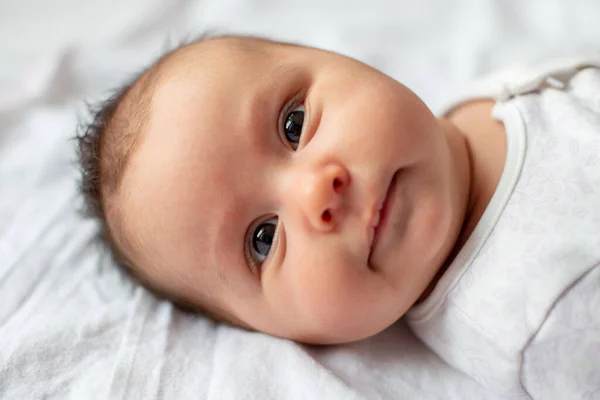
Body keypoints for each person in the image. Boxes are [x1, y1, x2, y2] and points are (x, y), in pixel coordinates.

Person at [76, 35, 600, 397]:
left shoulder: (467, 110)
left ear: (338, 58)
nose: (315, 193)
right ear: (285, 334)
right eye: (263, 239)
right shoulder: (544, 320)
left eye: (294, 123)